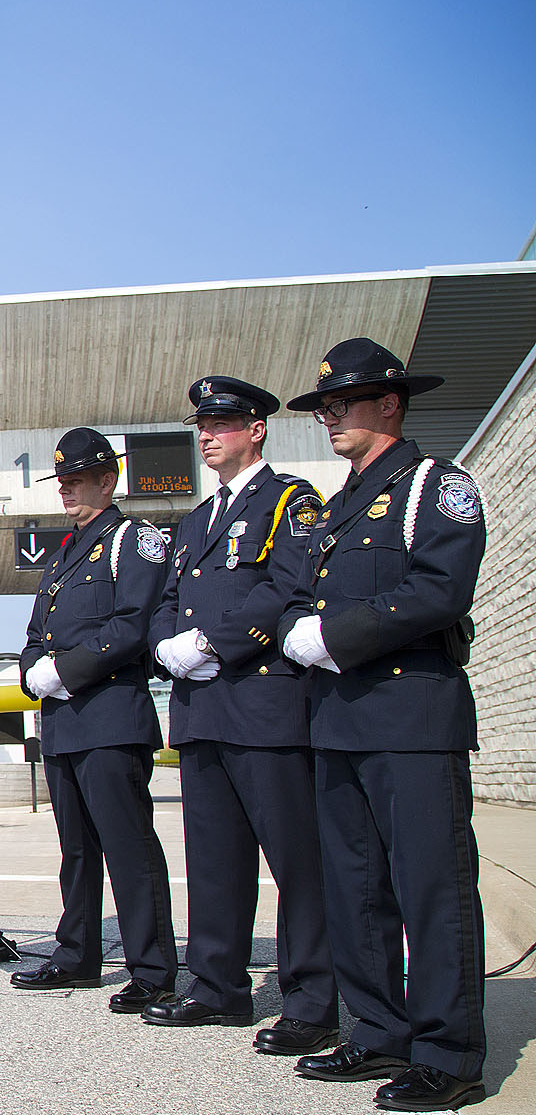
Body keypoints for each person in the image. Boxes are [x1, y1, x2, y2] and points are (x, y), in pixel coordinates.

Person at [277, 338, 489, 1112]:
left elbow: (439, 589)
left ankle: (447, 1051)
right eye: (325, 405)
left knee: (429, 886)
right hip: (340, 719)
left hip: (410, 716)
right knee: (356, 886)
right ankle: (377, 1029)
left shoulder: (436, 486)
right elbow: (301, 591)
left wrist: (337, 633)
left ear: (391, 403)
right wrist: (303, 626)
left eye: (344, 403)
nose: (330, 416)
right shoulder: (336, 504)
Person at [143, 377, 337, 1053]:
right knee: (215, 861)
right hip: (201, 711)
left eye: (221, 423)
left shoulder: (292, 501)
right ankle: (218, 988)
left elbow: (290, 586)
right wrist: (167, 644)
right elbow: (167, 597)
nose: (207, 436)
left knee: (297, 862)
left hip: (264, 707)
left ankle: (313, 999)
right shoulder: (196, 520)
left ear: (256, 429)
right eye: (202, 425)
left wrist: (210, 643)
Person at [13, 427, 179, 1013]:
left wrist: (68, 671)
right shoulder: (62, 554)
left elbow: (134, 624)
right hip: (63, 723)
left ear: (109, 481)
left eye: (77, 480)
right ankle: (77, 953)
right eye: (62, 481)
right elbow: (36, 636)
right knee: (76, 850)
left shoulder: (135, 540)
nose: (67, 490)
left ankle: (153, 969)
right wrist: (34, 671)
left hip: (110, 717)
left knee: (128, 846)